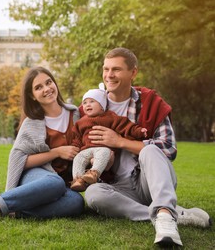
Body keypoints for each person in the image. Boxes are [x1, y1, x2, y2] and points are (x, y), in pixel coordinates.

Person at [84, 47, 212, 247]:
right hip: (118, 187)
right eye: (106, 69)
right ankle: (170, 214)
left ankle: (165, 217)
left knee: (151, 150)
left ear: (133, 72)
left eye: (116, 69)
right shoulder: (94, 105)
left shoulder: (150, 102)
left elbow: (168, 148)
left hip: (150, 183)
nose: (109, 75)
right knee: (93, 194)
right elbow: (82, 145)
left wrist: (120, 142)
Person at [0, 66, 84, 222]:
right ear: (32, 95)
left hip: (64, 185)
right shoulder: (31, 123)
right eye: (38, 87)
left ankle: (14, 210)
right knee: (54, 182)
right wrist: (56, 152)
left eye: (49, 82)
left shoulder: (76, 114)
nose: (47, 89)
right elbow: (19, 160)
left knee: (76, 202)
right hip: (35, 176)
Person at [70, 88, 147, 192]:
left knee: (104, 153)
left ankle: (93, 174)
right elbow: (77, 137)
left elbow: (125, 126)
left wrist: (139, 131)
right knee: (78, 159)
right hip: (86, 150)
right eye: (85, 102)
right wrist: (75, 147)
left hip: (103, 148)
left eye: (92, 101)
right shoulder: (81, 122)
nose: (87, 105)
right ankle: (78, 180)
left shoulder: (110, 117)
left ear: (102, 106)